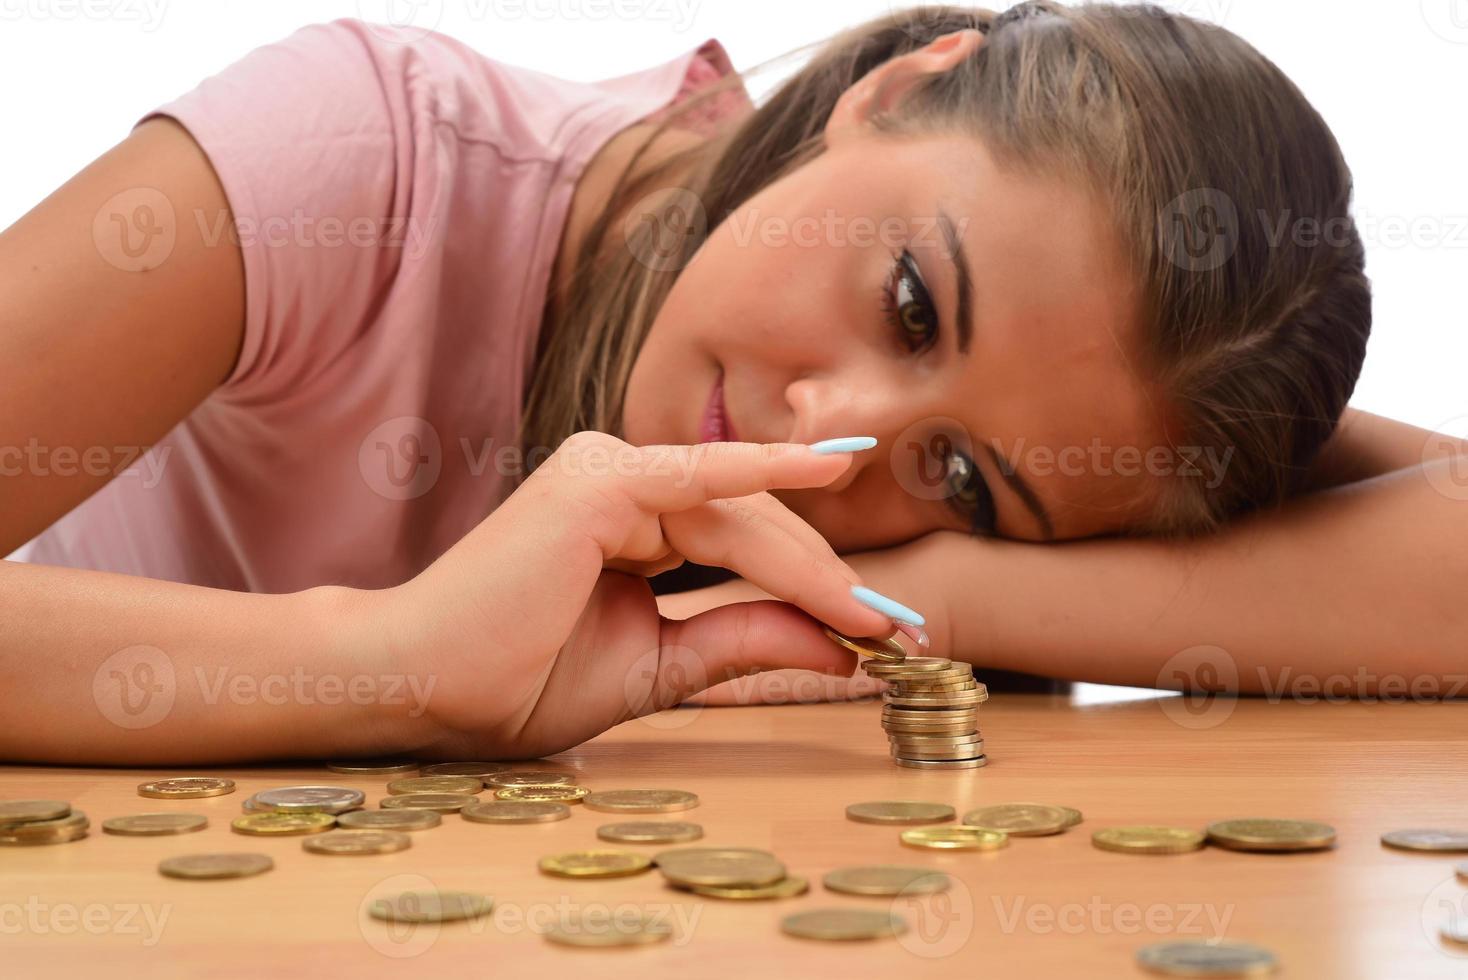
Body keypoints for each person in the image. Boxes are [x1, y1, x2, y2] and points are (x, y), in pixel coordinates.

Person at [2, 3, 1461, 765]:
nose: (827, 443)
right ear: (892, 92)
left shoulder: (890, 536)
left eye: (960, 475)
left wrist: (938, 595)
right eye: (908, 303)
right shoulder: (360, 159)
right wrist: (394, 665)